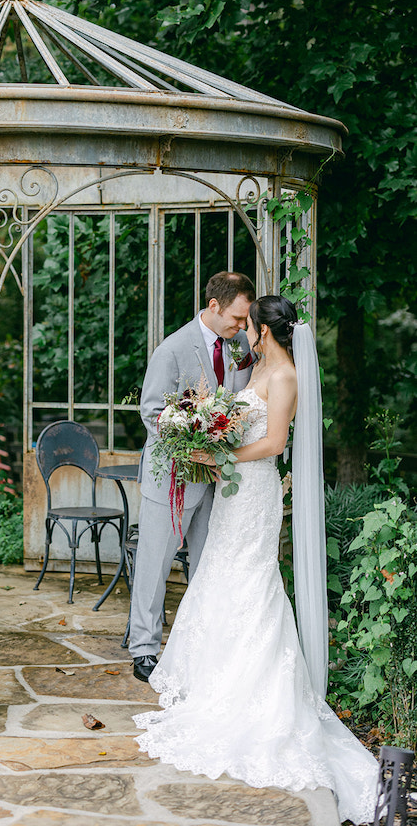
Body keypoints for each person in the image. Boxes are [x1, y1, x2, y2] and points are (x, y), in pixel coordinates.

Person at [133, 296, 378, 826]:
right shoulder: (258, 365)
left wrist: (215, 455)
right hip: (231, 494)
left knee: (250, 583)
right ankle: (213, 676)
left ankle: (250, 691)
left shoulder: (284, 375)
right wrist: (203, 425)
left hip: (255, 493)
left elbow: (273, 442)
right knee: (218, 576)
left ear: (266, 332)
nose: (242, 331)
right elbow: (235, 416)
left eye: (250, 325)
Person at [129, 271, 256, 683]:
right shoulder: (171, 350)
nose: (241, 325)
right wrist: (190, 442)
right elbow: (151, 412)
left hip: (218, 480)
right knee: (155, 565)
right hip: (173, 478)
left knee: (206, 564)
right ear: (214, 306)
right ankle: (144, 649)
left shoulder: (238, 346)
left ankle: (197, 645)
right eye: (237, 317)